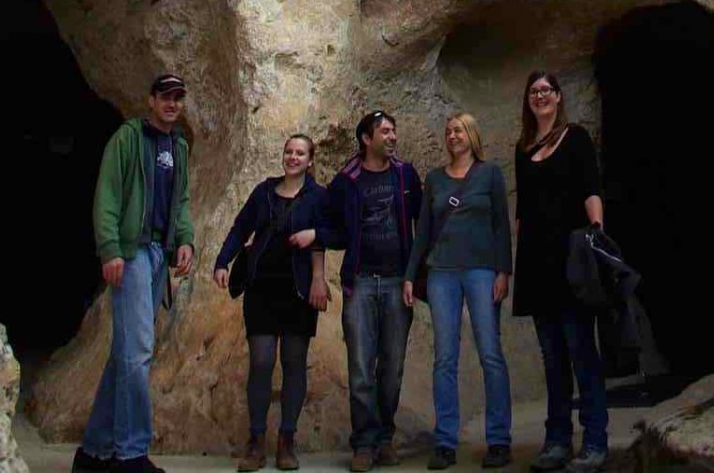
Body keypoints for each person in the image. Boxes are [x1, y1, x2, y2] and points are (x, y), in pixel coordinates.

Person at [72, 74, 195, 473]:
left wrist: (185, 239)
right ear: (151, 99)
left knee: (125, 354)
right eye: (165, 97)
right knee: (139, 351)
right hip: (132, 252)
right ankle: (131, 455)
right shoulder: (127, 139)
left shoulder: (179, 146)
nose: (172, 104)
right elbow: (106, 195)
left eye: (178, 98)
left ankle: (92, 453)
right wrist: (110, 249)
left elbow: (183, 200)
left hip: (160, 252)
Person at [403, 114, 513, 471]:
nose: (453, 136)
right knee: (445, 358)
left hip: (482, 270)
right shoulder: (434, 179)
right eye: (449, 131)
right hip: (442, 273)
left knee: (491, 353)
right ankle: (445, 442)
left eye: (459, 130)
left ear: (472, 136)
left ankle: (498, 439)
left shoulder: (490, 174)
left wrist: (503, 271)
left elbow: (501, 225)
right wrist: (409, 275)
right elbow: (423, 233)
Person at [214, 134, 330, 472]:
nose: (293, 157)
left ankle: (287, 440)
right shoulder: (264, 191)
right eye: (288, 152)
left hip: (298, 291)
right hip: (261, 289)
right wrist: (222, 261)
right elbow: (240, 227)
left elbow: (333, 233)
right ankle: (256, 440)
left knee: (294, 364)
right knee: (262, 363)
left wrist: (317, 246)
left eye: (300, 153)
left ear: (310, 160)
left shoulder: (318, 197)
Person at [512, 72, 608, 473]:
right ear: (528, 100)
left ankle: (595, 440)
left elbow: (590, 189)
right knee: (552, 358)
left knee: (581, 351)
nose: (541, 97)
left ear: (559, 97)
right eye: (534, 91)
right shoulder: (523, 148)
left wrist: (597, 237)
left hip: (571, 257)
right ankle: (556, 440)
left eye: (547, 90)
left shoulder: (576, 138)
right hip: (537, 263)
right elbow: (523, 212)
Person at [318, 111, 422, 473]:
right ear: (367, 138)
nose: (392, 137)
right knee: (361, 367)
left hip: (397, 282)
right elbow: (328, 221)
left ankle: (385, 438)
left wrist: (415, 275)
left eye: (394, 131)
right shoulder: (348, 180)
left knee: (391, 368)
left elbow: (420, 225)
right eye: (385, 131)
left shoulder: (405, 174)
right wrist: (318, 239)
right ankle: (363, 443)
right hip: (360, 282)